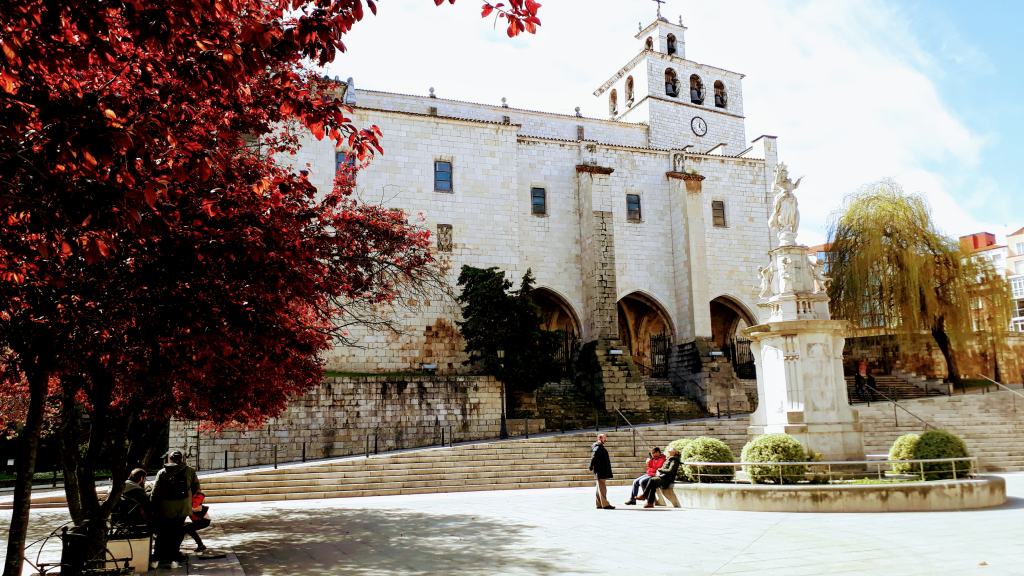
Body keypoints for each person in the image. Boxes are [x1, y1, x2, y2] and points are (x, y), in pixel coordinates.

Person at [151, 450, 200, 568]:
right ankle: (174, 559)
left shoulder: (162, 472)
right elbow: (196, 489)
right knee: (177, 532)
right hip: (183, 508)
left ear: (170, 459)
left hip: (165, 508)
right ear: (182, 459)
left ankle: (156, 559)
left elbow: (155, 492)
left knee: (162, 533)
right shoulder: (190, 471)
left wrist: (153, 507)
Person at [589, 433, 614, 510]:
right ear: (600, 438)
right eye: (604, 438)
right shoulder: (598, 447)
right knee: (602, 488)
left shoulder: (598, 447)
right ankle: (605, 504)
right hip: (601, 470)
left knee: (599, 488)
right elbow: (593, 457)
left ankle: (599, 504)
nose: (606, 439)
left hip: (600, 470)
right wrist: (591, 466)